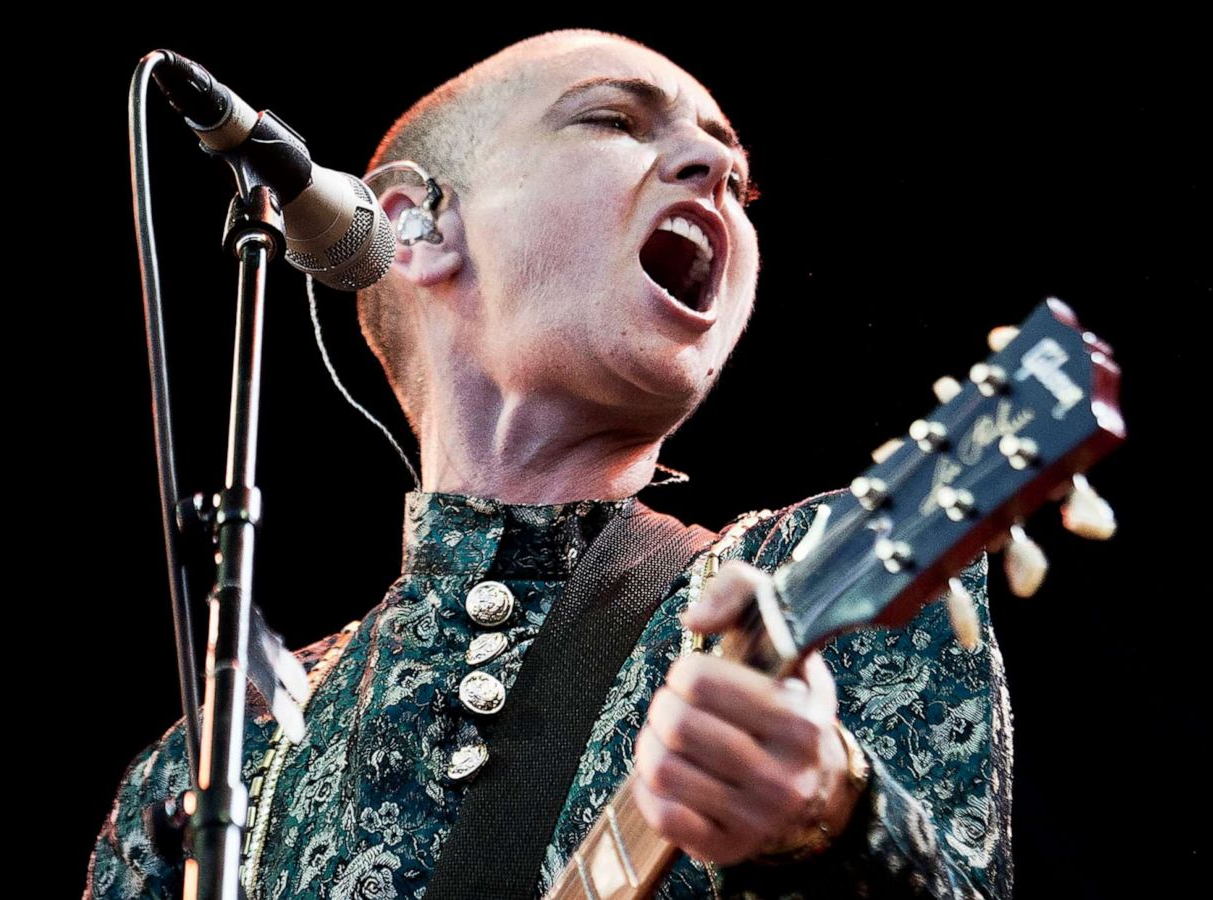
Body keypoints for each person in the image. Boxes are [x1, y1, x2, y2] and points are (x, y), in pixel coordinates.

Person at [85, 28, 1012, 899]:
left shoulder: (811, 575)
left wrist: (836, 822)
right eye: (613, 119)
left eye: (741, 181)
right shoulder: (212, 767)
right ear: (414, 227)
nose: (718, 170)